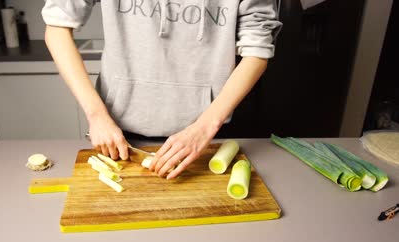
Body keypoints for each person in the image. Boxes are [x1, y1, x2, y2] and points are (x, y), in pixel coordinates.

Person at [42, 0, 282, 179]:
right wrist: (96, 115)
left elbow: (257, 50)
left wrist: (205, 126)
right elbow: (56, 27)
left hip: (209, 138)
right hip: (120, 137)